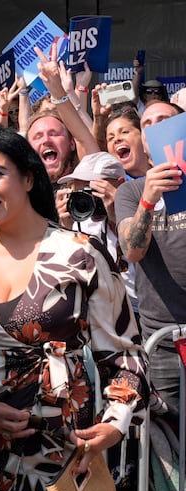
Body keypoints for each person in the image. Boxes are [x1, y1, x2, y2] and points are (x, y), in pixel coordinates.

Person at [0, 127, 148, 491]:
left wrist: (114, 425)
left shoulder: (80, 255)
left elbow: (125, 356)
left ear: (29, 178)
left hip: (62, 461)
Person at [115, 99, 185, 417]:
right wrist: (148, 200)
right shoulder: (130, 193)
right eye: (147, 123)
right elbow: (132, 251)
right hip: (163, 343)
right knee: (169, 435)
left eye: (165, 120)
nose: (155, 127)